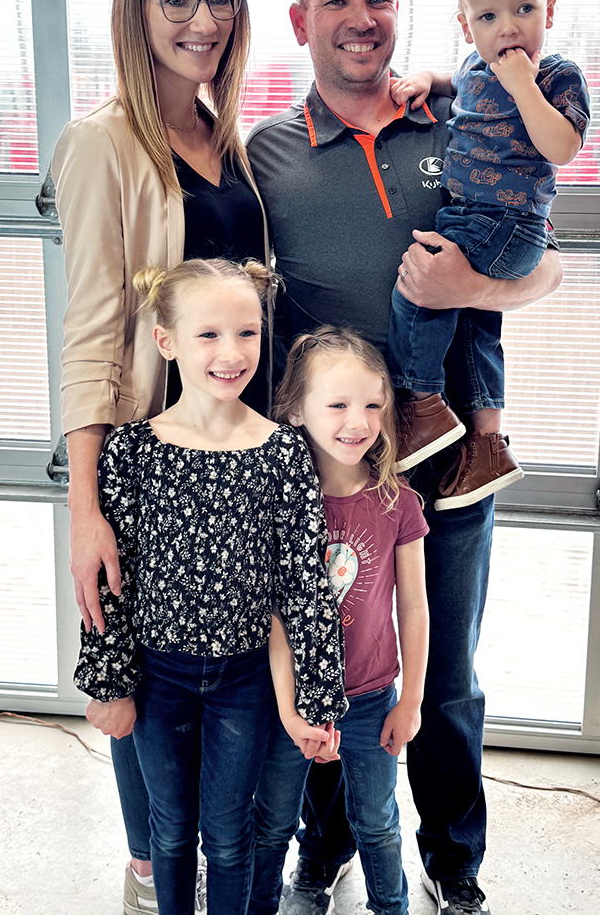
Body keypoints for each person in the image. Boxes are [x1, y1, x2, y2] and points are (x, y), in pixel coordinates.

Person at [246, 0, 563, 915]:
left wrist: (480, 281)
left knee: (445, 670)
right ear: (300, 20)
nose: (359, 18)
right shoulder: (269, 155)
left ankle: (453, 863)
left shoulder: (458, 119)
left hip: (448, 463)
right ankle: (326, 844)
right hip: (330, 475)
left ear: (403, 13)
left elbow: (548, 262)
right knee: (331, 660)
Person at [52, 0, 271, 915]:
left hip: (235, 457)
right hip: (150, 473)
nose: (202, 18)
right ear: (134, 13)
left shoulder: (224, 138)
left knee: (219, 677)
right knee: (139, 684)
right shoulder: (106, 143)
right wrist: (88, 509)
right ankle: (148, 871)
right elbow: (94, 332)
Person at [73, 258, 347, 915]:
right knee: (169, 831)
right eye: (209, 335)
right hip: (157, 678)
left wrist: (316, 694)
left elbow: (305, 583)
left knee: (228, 838)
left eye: (247, 333)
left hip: (244, 682)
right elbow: (114, 581)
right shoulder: (132, 450)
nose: (231, 353)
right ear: (166, 340)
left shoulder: (284, 452)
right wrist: (108, 685)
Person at [386, 0, 590, 508]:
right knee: (477, 324)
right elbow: (462, 82)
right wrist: (429, 77)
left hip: (504, 223)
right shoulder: (477, 66)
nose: (508, 29)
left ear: (550, 9)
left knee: (421, 283)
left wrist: (526, 87)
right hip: (481, 217)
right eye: (488, 16)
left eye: (524, 9)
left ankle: (421, 403)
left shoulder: (555, 76)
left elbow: (564, 147)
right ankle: (486, 444)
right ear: (466, 24)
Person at [250, 326, 430, 915]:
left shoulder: (398, 502)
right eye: (338, 404)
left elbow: (415, 607)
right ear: (296, 411)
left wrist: (413, 702)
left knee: (377, 821)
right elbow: (272, 611)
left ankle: (390, 907)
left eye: (373, 405)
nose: (359, 421)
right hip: (290, 697)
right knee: (272, 821)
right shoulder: (276, 499)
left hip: (374, 696)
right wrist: (290, 708)